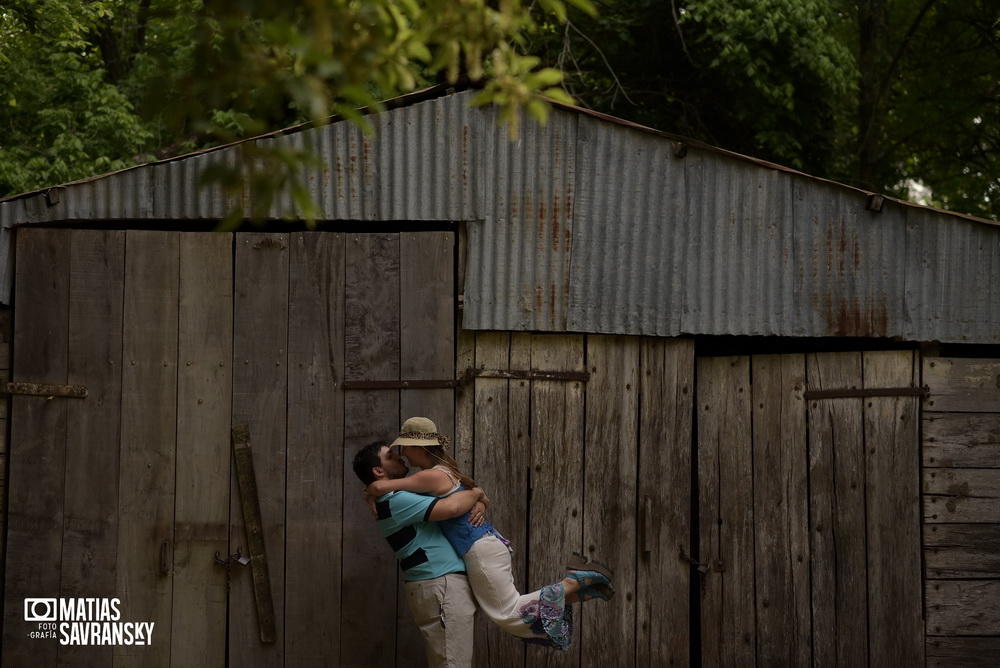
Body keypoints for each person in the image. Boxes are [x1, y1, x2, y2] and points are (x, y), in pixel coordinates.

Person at [364, 416, 614, 652]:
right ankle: (580, 591)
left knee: (507, 614)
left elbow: (380, 486)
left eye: (404, 448)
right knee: (508, 610)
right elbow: (481, 493)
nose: (403, 454)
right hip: (485, 543)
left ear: (417, 447)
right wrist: (479, 498)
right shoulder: (443, 470)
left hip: (479, 548)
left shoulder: (428, 476)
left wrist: (370, 493)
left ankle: (574, 581)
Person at [352, 441, 485, 668]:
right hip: (439, 583)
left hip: (439, 583)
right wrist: (477, 493)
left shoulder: (395, 496)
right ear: (378, 471)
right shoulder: (394, 500)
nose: (400, 457)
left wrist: (477, 501)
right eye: (390, 456)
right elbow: (453, 507)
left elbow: (455, 502)